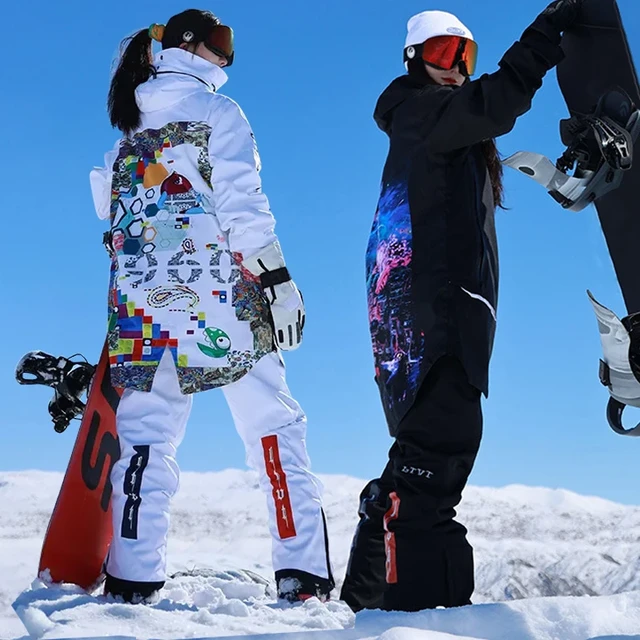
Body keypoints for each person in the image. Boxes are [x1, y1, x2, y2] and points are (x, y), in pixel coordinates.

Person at [340, 0, 584, 613]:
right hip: (436, 322)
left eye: (466, 57)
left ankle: (367, 605)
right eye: (446, 54)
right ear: (416, 59)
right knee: (436, 473)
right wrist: (549, 32)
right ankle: (424, 620)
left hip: (420, 324)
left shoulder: (422, 126)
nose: (458, 67)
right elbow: (497, 103)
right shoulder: (424, 114)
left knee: (419, 461)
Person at [89, 8, 334, 604]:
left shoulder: (129, 125)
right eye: (221, 44)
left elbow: (112, 214)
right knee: (272, 425)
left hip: (142, 303)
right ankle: (301, 570)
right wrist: (276, 279)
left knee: (146, 436)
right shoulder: (218, 112)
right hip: (219, 293)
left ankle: (133, 572)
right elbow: (241, 203)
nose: (227, 58)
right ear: (190, 48)